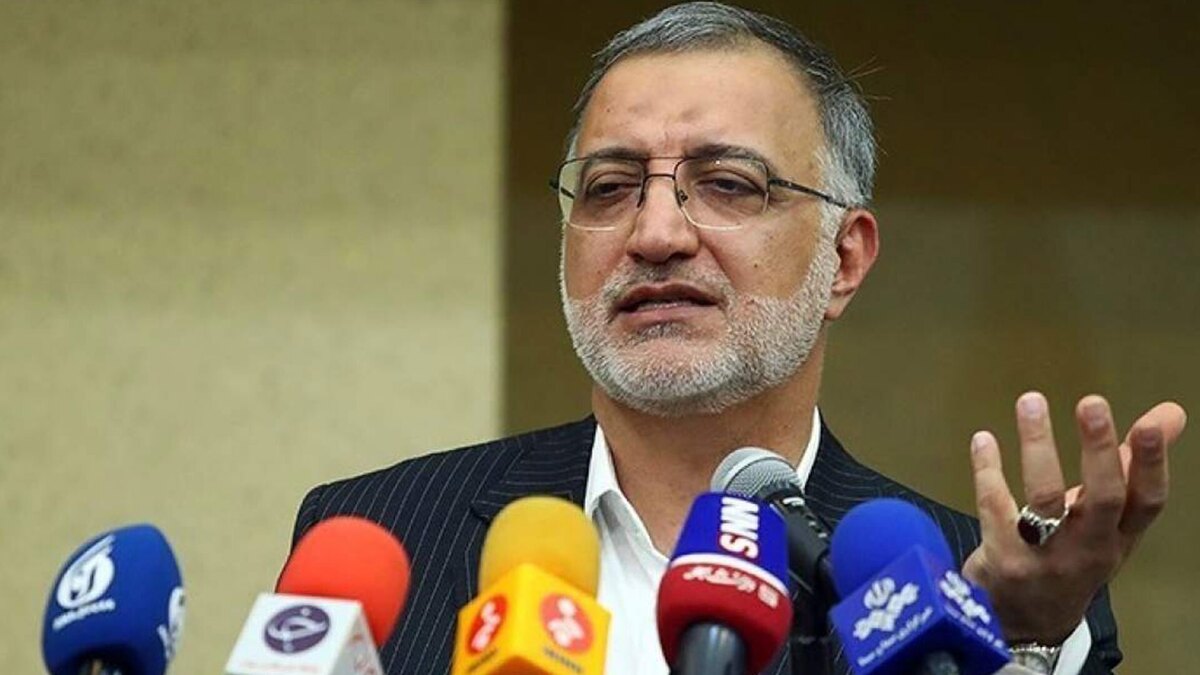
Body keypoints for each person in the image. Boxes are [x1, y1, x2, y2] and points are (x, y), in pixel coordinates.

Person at [288, 3, 1186, 674]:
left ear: (844, 258)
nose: (655, 234)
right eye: (609, 187)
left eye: (728, 183)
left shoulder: (971, 585)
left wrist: (1024, 638)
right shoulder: (374, 539)